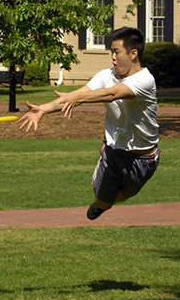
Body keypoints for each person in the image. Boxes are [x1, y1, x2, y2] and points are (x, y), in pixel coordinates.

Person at [17, 27, 160, 220]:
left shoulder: (144, 80)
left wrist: (80, 98)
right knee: (102, 202)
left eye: (116, 52)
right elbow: (76, 94)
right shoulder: (105, 76)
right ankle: (102, 204)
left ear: (133, 54)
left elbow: (111, 94)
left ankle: (108, 201)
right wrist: (43, 109)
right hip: (114, 152)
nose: (113, 58)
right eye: (111, 52)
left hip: (142, 158)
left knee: (125, 194)